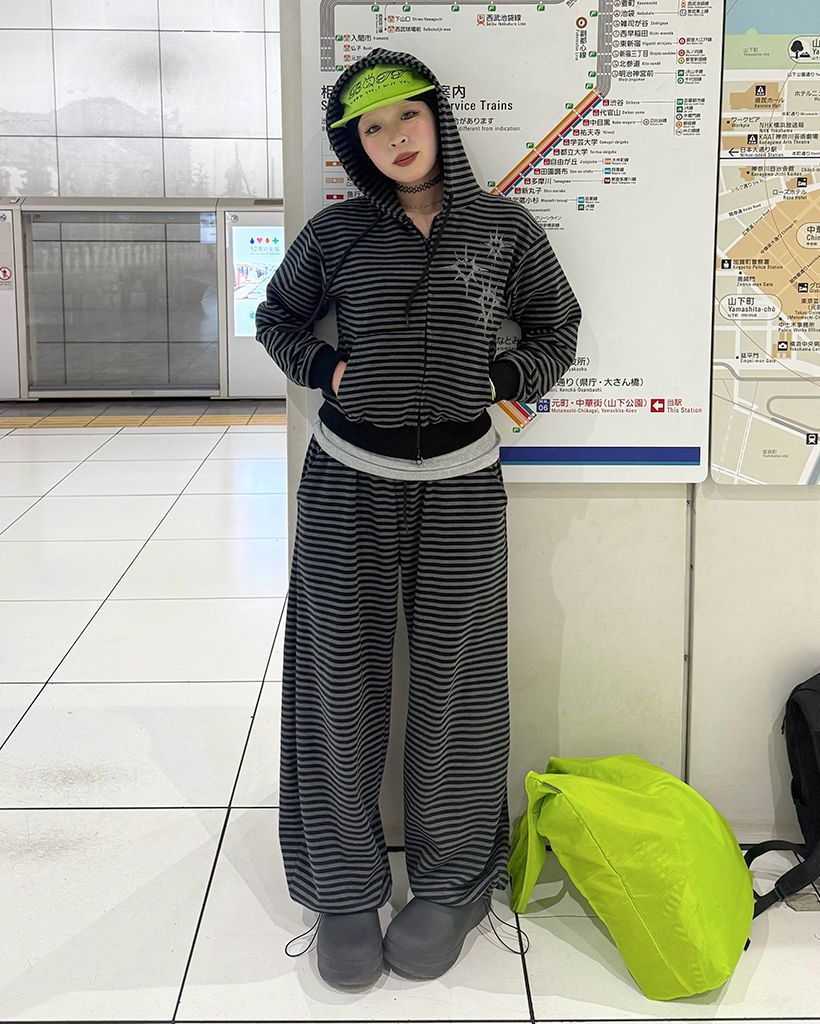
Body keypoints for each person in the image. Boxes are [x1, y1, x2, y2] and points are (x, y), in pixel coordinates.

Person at [255, 48, 581, 988]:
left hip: (463, 483)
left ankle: (450, 881)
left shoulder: (504, 229)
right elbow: (277, 319)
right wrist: (329, 371)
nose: (394, 136)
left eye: (407, 114)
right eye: (371, 127)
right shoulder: (337, 233)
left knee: (457, 683)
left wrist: (507, 382)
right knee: (337, 679)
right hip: (345, 478)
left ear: (438, 117)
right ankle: (344, 888)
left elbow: (557, 327)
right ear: (353, 147)